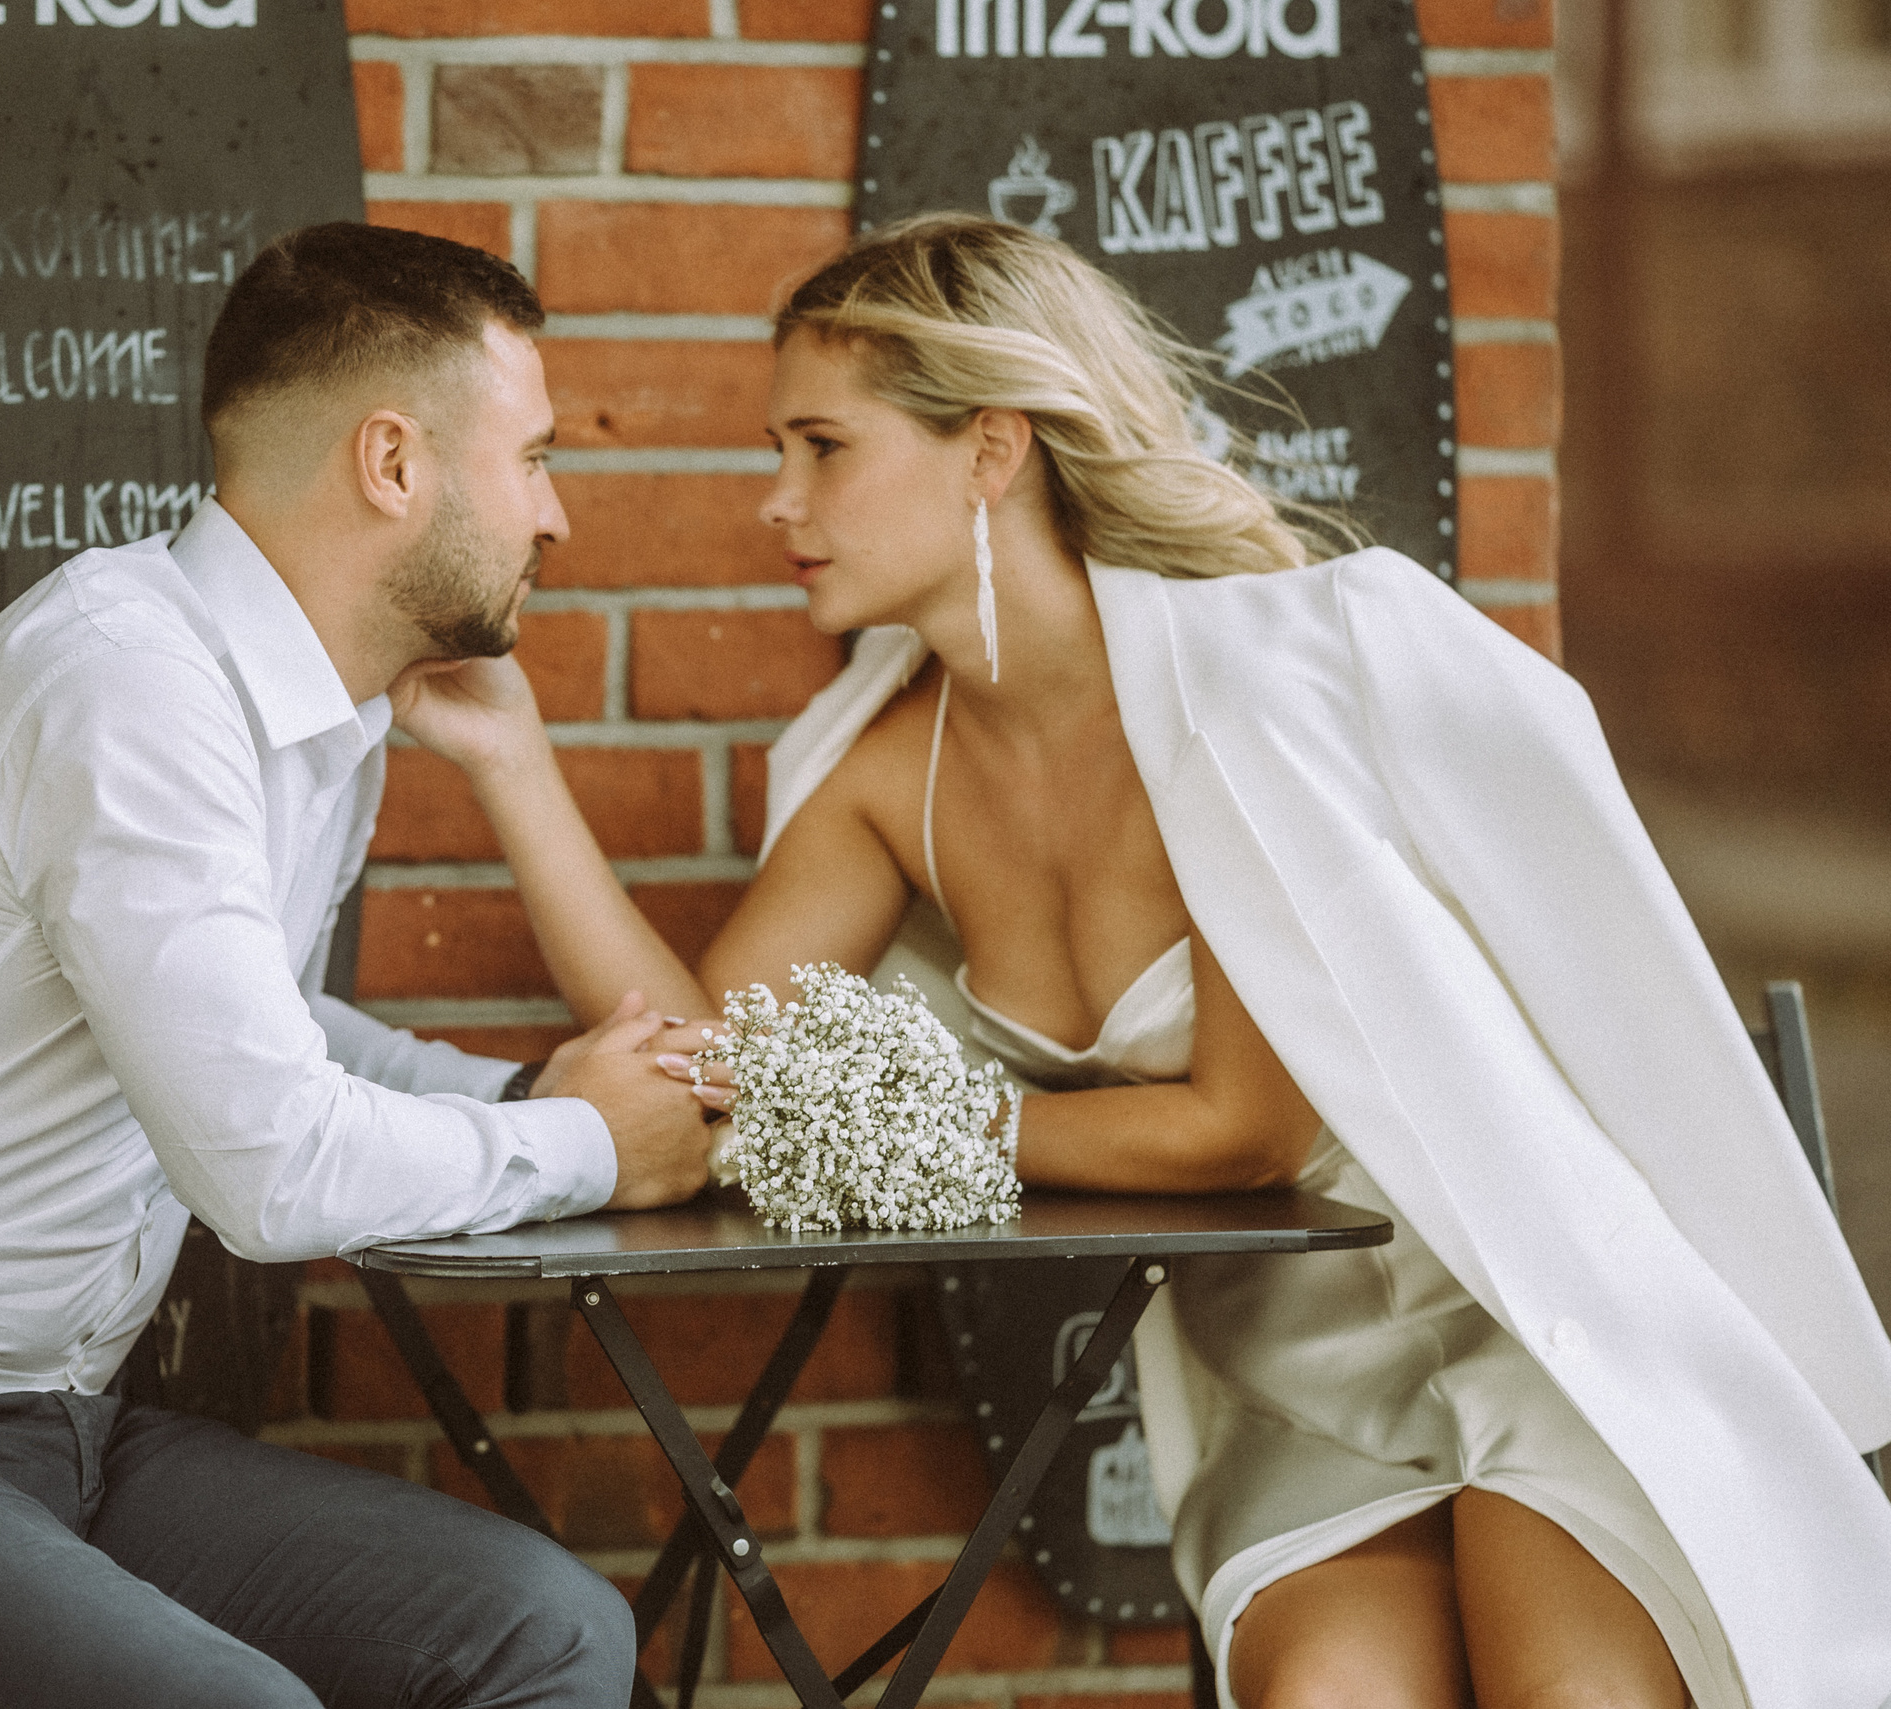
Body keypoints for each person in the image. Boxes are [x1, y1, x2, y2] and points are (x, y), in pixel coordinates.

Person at [390, 214, 1891, 1708]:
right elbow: (705, 1058)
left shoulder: (1249, 687)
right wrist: (513, 765)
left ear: (994, 448)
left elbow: (1241, 1129)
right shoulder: (882, 774)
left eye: (822, 447)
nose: (777, 503)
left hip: (1523, 1326)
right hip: (1297, 1394)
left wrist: (907, 1123)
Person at [0, 222, 715, 1709]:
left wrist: (523, 1090)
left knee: (545, 1629)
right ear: (392, 461)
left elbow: (261, 1030)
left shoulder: (314, 719)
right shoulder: (129, 679)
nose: (555, 516)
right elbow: (270, 1164)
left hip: (44, 1438)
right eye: (537, 457)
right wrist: (584, 1144)